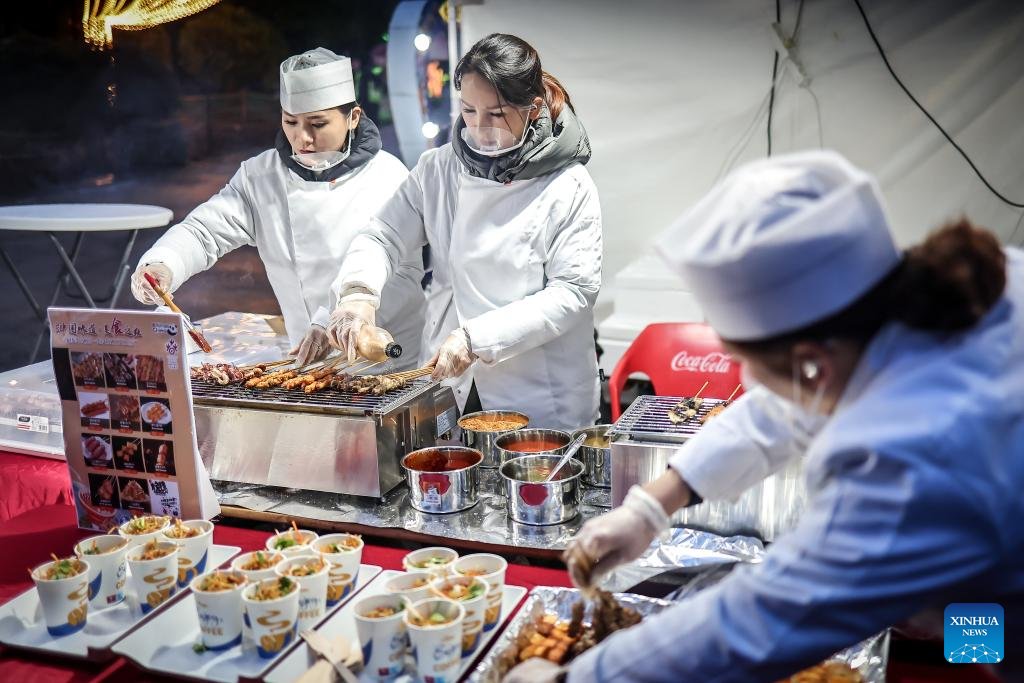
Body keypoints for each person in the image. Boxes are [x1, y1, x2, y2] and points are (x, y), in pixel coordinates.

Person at [513, 151, 1024, 681]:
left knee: (980, 636)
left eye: (746, 363)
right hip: (988, 580)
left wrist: (575, 678)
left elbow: (764, 622)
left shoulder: (909, 460)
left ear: (811, 364)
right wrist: (650, 508)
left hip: (1005, 616)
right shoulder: (953, 292)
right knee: (962, 619)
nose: (747, 382)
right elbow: (784, 408)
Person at [326, 33, 602, 431]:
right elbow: (383, 235)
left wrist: (477, 338)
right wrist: (357, 295)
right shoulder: (438, 168)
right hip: (448, 374)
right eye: (469, 111)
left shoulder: (567, 185)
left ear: (533, 108)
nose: (479, 128)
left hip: (538, 391)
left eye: (497, 113)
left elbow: (573, 293)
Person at [131, 48, 424, 368]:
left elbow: (394, 271)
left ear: (353, 118)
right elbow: (204, 232)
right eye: (291, 122)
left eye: (317, 123)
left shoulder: (388, 176)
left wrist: (331, 320)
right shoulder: (261, 176)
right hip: (307, 355)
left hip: (391, 357)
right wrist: (164, 263)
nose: (303, 138)